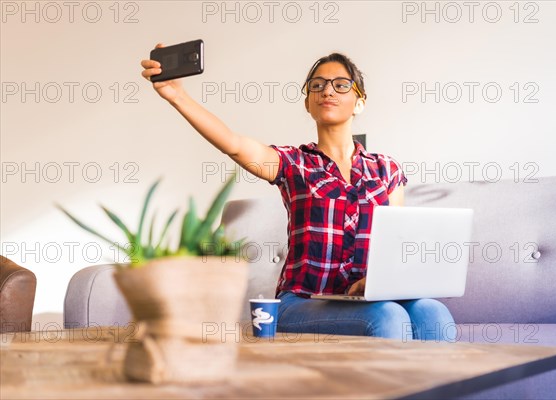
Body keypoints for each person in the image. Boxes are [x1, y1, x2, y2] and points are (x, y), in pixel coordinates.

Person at [141, 46, 457, 341]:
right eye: (317, 86)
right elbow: (234, 144)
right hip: (301, 303)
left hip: (367, 299)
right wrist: (176, 95)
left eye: (341, 85)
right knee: (387, 318)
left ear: (360, 102)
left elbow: (395, 251)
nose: (328, 90)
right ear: (308, 103)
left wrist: (375, 282)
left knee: (433, 313)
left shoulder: (386, 170)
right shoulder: (294, 164)